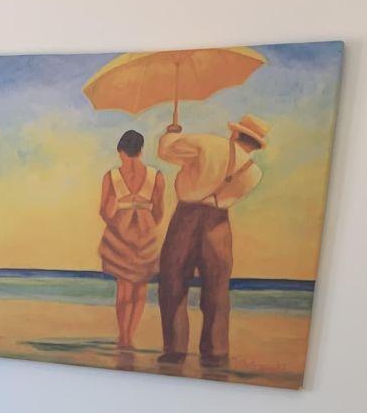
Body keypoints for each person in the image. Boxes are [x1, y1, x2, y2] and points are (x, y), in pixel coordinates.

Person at [157, 113, 268, 365]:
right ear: (255, 144)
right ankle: (216, 353)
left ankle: (175, 350)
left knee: (173, 282)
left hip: (186, 216)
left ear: (235, 133)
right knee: (217, 288)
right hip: (219, 224)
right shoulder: (254, 172)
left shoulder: (209, 144)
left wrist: (172, 133)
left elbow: (166, 151)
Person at [98, 129, 165, 350]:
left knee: (124, 289)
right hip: (145, 235)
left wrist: (119, 219)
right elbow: (159, 212)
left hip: (120, 234)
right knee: (140, 290)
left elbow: (104, 212)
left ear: (120, 151)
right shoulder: (156, 176)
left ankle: (124, 336)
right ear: (141, 150)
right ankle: (130, 336)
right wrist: (145, 221)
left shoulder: (111, 176)